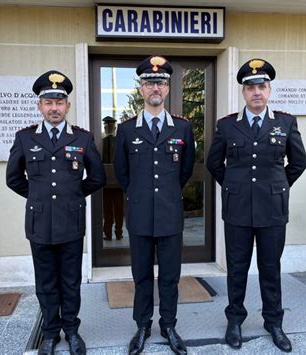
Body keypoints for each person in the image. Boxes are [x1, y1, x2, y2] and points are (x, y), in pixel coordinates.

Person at [206, 58, 306, 353]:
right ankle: (235, 320)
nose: (256, 92)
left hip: (272, 209)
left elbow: (299, 162)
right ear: (243, 92)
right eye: (250, 87)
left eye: (262, 86)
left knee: (270, 267)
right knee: (237, 268)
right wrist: (234, 187)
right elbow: (215, 163)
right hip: (237, 210)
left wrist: (279, 186)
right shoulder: (227, 125)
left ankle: (273, 322)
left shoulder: (285, 122)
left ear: (270, 90)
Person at [6, 70, 106, 355]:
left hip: (71, 223)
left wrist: (71, 197)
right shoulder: (25, 138)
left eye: (59, 101)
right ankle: (50, 332)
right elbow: (13, 179)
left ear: (68, 106)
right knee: (46, 282)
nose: (54, 107)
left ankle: (72, 331)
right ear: (40, 106)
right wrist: (39, 198)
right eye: (48, 102)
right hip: (39, 224)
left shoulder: (83, 139)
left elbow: (97, 178)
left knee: (71, 281)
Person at [113, 56, 195, 355]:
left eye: (160, 82)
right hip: (140, 216)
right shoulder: (126, 130)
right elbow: (123, 173)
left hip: (170, 215)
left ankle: (169, 325)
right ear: (141, 89)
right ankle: (142, 326)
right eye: (149, 82)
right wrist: (141, 195)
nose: (155, 87)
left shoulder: (183, 129)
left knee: (171, 277)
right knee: (143, 276)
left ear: (168, 87)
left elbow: (185, 171)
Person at [101, 116, 124, 241]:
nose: (108, 128)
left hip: (113, 182)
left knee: (112, 209)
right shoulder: (105, 142)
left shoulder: (103, 142)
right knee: (112, 209)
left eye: (108, 126)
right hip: (113, 182)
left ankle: (111, 233)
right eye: (107, 126)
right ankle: (114, 232)